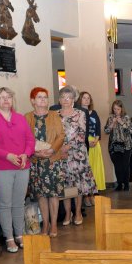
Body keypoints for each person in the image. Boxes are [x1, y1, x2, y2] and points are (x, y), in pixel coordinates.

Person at [0, 87, 35, 253]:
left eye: (8, 97)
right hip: (1, 167)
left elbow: (30, 140)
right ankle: (9, 238)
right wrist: (7, 155)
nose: (5, 100)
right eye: (1, 97)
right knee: (5, 204)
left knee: (19, 203)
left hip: (22, 166)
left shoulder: (20, 118)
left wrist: (26, 154)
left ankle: (20, 234)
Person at [25, 87, 65, 238]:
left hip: (52, 160)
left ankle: (53, 224)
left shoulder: (55, 115)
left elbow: (61, 135)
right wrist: (35, 152)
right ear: (32, 101)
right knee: (41, 195)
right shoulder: (27, 117)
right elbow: (24, 138)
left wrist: (52, 150)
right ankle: (45, 224)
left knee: (53, 194)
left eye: (45, 97)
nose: (43, 100)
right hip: (36, 161)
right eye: (39, 97)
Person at [58, 86, 97, 224]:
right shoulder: (55, 114)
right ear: (59, 100)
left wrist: (68, 146)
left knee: (78, 185)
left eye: (68, 97)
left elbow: (82, 134)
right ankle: (68, 213)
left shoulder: (80, 113)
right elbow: (53, 135)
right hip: (61, 154)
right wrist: (59, 148)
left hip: (77, 154)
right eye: (63, 97)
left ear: (73, 100)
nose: (66, 100)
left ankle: (78, 212)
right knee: (66, 185)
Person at [78, 91, 106, 205]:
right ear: (80, 100)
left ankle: (94, 193)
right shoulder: (78, 113)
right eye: (84, 98)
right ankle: (86, 196)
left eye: (88, 98)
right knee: (86, 170)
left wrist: (96, 139)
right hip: (84, 143)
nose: (86, 100)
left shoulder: (94, 113)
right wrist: (87, 141)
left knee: (95, 168)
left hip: (95, 142)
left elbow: (98, 128)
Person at [105, 99, 132, 190]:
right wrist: (112, 124)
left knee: (125, 166)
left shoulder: (126, 118)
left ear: (121, 109)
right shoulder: (110, 118)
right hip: (114, 146)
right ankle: (120, 184)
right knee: (117, 166)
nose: (116, 111)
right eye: (114, 109)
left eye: (118, 109)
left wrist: (121, 123)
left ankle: (126, 184)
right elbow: (106, 131)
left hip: (126, 146)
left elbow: (130, 131)